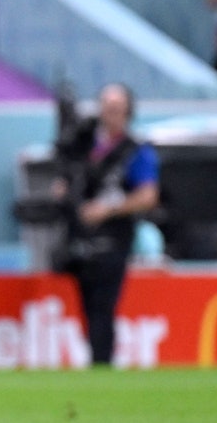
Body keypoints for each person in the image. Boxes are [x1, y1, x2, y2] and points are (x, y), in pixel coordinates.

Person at [49, 83, 158, 367]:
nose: (108, 115)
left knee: (103, 307)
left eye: (115, 109)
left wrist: (108, 209)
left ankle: (102, 364)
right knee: (87, 308)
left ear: (128, 113)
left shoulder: (135, 151)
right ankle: (96, 361)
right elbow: (66, 173)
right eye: (105, 108)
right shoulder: (84, 144)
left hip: (114, 239)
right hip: (79, 237)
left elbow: (148, 195)